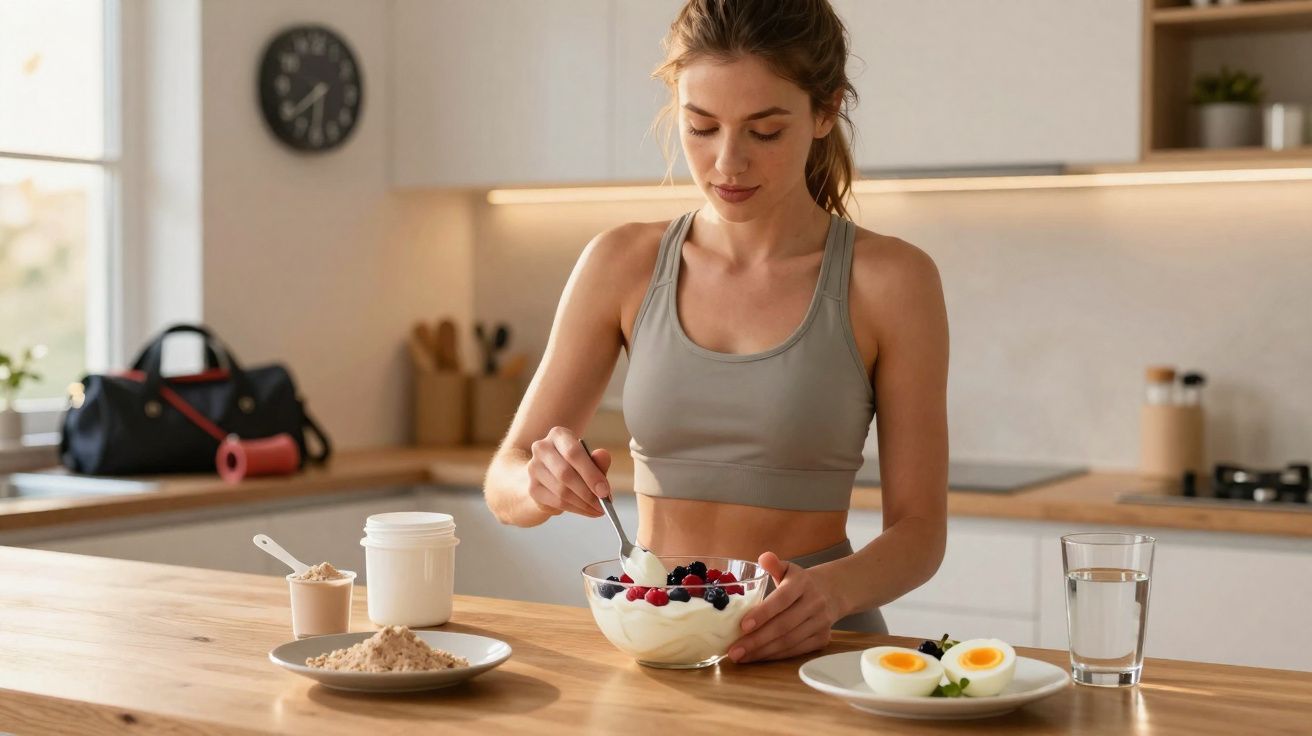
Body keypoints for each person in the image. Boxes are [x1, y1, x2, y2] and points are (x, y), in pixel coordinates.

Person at [483, 0, 948, 664]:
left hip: (816, 650)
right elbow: (504, 478)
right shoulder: (621, 263)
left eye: (764, 131)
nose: (728, 162)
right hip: (656, 649)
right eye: (701, 126)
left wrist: (830, 594)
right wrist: (538, 483)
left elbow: (922, 531)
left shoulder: (892, 281)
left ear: (824, 112)